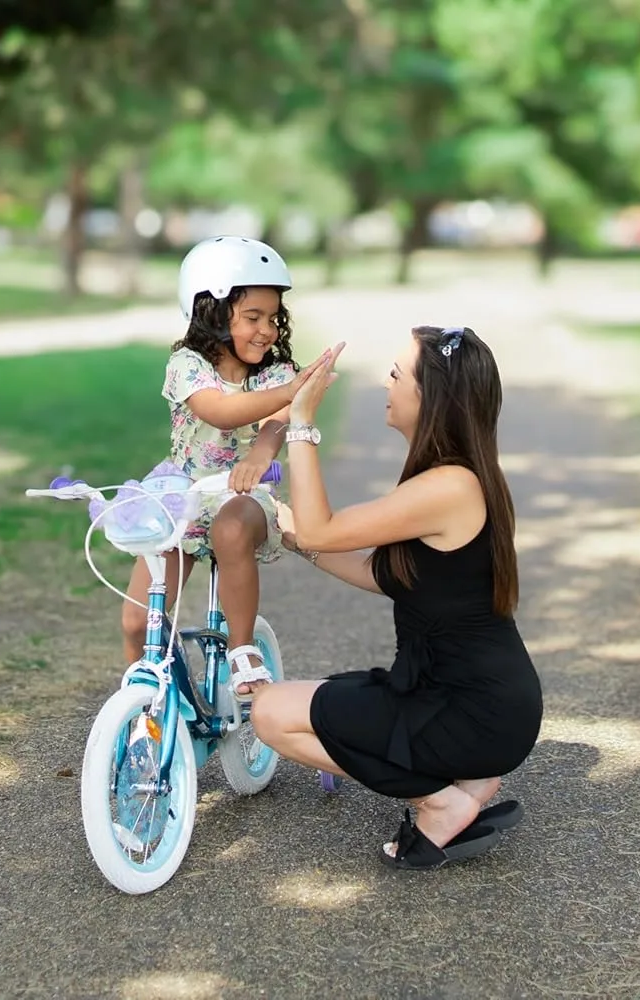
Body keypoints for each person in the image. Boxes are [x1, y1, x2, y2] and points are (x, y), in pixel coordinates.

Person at [251, 326, 543, 871]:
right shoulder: (455, 478)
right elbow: (382, 574)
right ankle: (470, 779)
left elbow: (322, 528)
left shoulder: (449, 487)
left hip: (475, 711)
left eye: (395, 375)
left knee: (270, 713)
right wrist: (290, 536)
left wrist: (301, 422)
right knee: (328, 697)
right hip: (481, 702)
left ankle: (440, 802)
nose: (385, 384)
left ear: (430, 397)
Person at [121, 236, 331, 707]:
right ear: (212, 313)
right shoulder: (186, 366)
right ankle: (143, 702)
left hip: (239, 496)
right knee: (137, 622)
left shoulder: (274, 373)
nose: (266, 330)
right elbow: (218, 410)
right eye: (252, 318)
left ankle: (241, 649)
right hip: (184, 497)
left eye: (273, 318)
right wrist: (294, 392)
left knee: (233, 525)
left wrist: (262, 453)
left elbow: (276, 420)